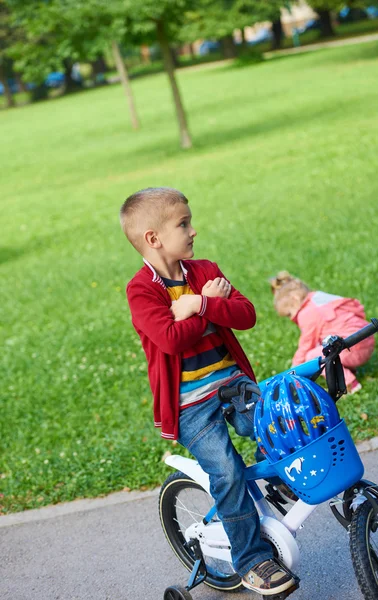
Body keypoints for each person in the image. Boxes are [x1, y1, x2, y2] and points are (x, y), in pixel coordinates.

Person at [120, 187, 296, 596]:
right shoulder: (142, 291)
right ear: (154, 238)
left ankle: (280, 475)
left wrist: (200, 304)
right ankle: (252, 562)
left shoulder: (203, 272)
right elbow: (170, 339)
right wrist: (206, 307)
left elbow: (246, 314)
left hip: (232, 385)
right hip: (191, 408)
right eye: (183, 223)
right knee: (228, 472)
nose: (193, 230)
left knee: (279, 419)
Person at [269, 271, 375, 394]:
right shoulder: (317, 299)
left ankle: (349, 384)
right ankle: (347, 370)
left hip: (355, 349)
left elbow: (306, 344)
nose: (292, 318)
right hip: (365, 339)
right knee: (327, 344)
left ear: (295, 299)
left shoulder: (307, 313)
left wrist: (293, 371)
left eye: (289, 313)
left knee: (314, 356)